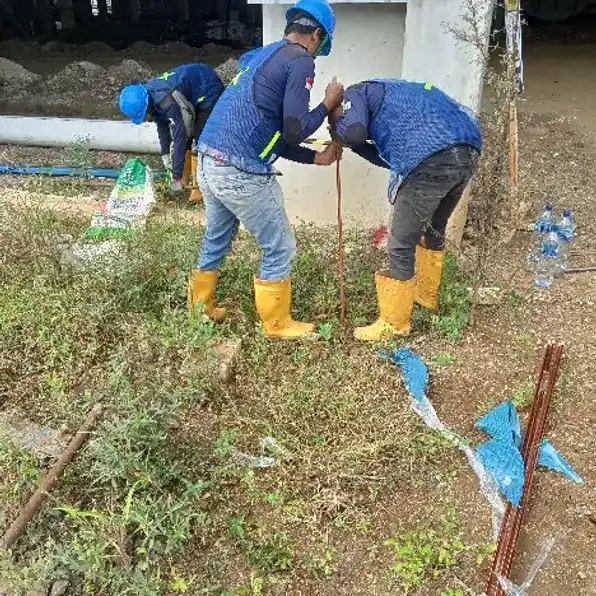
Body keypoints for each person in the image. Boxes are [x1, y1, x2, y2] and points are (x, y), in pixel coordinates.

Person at [189, 0, 344, 340]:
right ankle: (277, 324)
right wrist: (327, 104)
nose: (317, 52)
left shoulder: (262, 56)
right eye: (321, 43)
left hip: (208, 160)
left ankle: (200, 309)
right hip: (238, 169)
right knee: (279, 246)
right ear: (316, 34)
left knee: (218, 235)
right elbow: (294, 128)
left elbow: (271, 131)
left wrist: (314, 158)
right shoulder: (301, 60)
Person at [328, 79, 482, 341]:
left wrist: (337, 127)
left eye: (342, 114)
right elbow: (388, 157)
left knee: (400, 243)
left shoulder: (355, 93)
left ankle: (395, 323)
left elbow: (352, 132)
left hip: (430, 156)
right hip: (467, 150)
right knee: (434, 228)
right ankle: (425, 296)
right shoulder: (393, 95)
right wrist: (356, 146)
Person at [118, 63, 224, 200]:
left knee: (200, 140)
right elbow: (162, 124)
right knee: (184, 143)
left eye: (144, 116)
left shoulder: (166, 101)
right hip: (190, 94)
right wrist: (165, 153)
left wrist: (176, 175)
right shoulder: (150, 96)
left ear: (146, 106)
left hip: (207, 88)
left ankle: (199, 190)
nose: (145, 119)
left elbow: (180, 134)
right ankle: (183, 184)